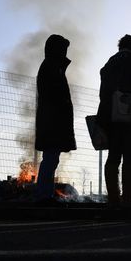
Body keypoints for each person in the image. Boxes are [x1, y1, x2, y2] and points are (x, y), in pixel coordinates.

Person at [97, 34, 131, 208]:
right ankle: (127, 199)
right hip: (129, 114)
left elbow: (103, 91)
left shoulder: (110, 62)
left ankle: (113, 198)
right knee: (129, 157)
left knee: (113, 157)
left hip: (109, 115)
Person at [34, 34, 76, 204]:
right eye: (63, 49)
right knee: (51, 158)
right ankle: (44, 196)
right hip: (53, 122)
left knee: (52, 158)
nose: (65, 52)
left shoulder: (51, 67)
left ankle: (45, 194)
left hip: (52, 121)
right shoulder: (51, 68)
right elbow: (55, 97)